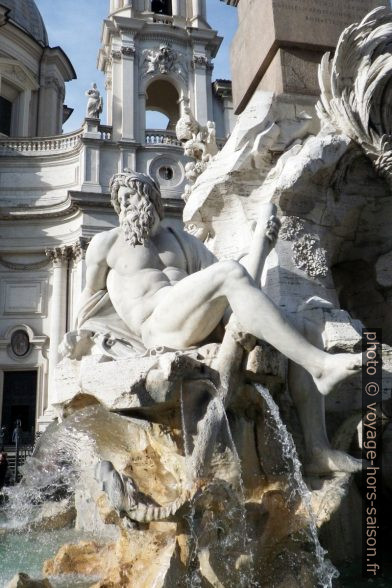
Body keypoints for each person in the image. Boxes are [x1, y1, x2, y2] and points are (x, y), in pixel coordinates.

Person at [69, 170, 361, 401]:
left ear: (150, 199)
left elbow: (240, 287)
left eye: (131, 197)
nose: (125, 207)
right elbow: (90, 297)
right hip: (157, 327)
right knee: (228, 272)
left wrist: (261, 244)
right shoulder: (106, 243)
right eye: (120, 201)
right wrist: (77, 338)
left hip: (198, 321)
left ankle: (317, 450)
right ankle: (320, 366)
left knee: (305, 328)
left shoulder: (183, 241)